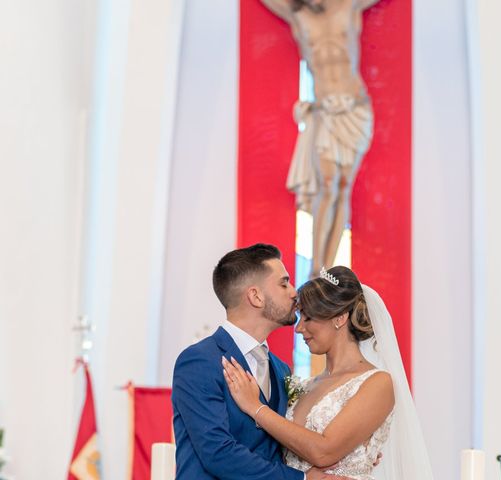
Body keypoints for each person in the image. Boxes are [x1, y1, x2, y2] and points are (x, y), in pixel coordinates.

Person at [222, 266, 434, 480]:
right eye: (299, 316)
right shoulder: (305, 386)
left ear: (339, 318)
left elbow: (323, 452)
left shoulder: (377, 383)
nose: (298, 328)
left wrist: (255, 407)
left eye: (308, 318)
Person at [172, 244, 346, 480]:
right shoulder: (199, 361)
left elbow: (283, 444)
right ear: (255, 296)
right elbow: (218, 453)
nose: (294, 292)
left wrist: (349, 452)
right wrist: (302, 479)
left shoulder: (280, 368)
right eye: (283, 283)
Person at [261, 0, 380, 276]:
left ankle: (329, 267)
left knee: (343, 186)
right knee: (327, 185)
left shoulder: (349, 6)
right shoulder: (298, 14)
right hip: (325, 111)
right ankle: (316, 268)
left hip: (354, 109)